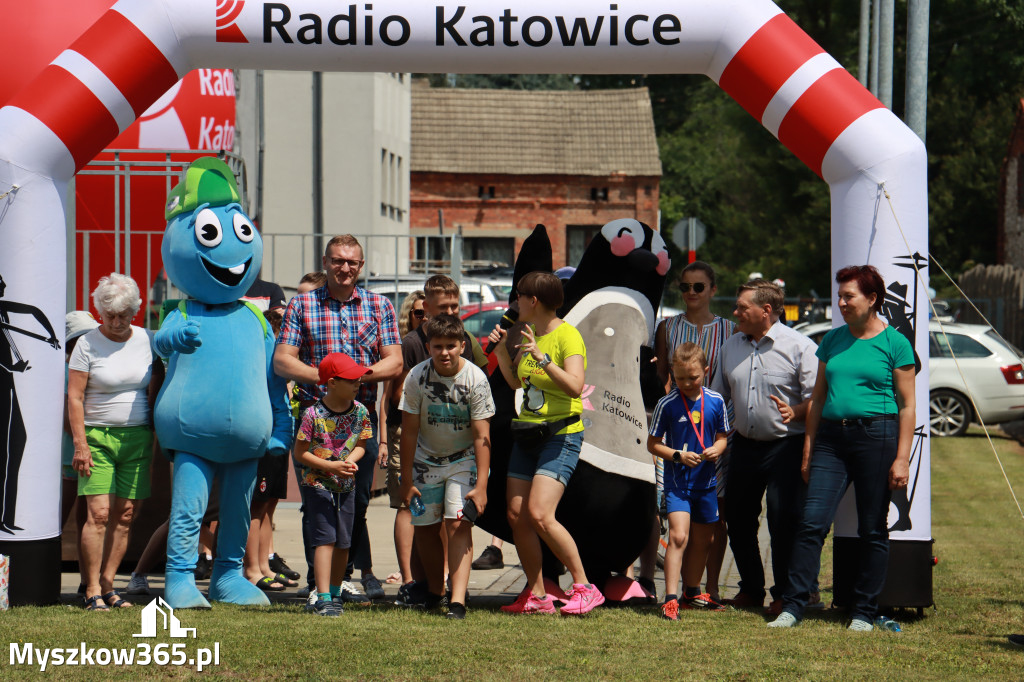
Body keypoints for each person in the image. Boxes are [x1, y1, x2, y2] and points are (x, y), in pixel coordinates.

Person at [769, 265, 915, 630]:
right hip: (831, 441)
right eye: (840, 295)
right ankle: (794, 605)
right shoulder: (832, 340)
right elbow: (817, 399)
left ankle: (864, 611)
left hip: (877, 438)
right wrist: (808, 447)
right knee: (811, 523)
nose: (842, 302)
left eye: (849, 296)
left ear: (873, 299)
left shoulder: (895, 344)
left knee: (872, 528)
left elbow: (909, 405)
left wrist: (901, 458)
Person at [275, 235, 402, 603]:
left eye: (352, 262)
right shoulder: (303, 305)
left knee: (355, 502)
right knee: (316, 502)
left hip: (358, 426)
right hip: (317, 423)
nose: (344, 268)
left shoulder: (379, 306)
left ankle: (341, 578)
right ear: (326, 262)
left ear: (361, 267)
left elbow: (394, 361)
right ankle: (318, 583)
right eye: (337, 261)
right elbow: (283, 360)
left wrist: (354, 379)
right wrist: (328, 378)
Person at [489, 271, 604, 616]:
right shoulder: (530, 333)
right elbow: (515, 384)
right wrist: (499, 350)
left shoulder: (567, 336)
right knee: (516, 514)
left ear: (533, 301)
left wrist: (543, 358)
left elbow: (574, 386)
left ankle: (585, 587)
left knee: (540, 513)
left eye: (520, 296)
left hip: (561, 435)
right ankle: (538, 596)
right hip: (529, 434)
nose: (515, 303)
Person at [389, 276, 489, 606]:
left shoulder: (475, 378)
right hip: (425, 460)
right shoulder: (417, 376)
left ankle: (458, 600)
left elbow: (481, 435)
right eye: (437, 347)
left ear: (463, 345)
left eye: (451, 346)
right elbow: (410, 431)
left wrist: (482, 484)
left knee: (458, 524)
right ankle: (436, 590)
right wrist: (405, 479)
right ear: (428, 345)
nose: (444, 353)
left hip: (462, 459)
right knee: (426, 528)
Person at [720, 279, 817, 614]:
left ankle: (785, 593)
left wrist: (798, 411)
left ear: (765, 310)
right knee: (737, 517)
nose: (735, 313)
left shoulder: (800, 347)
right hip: (744, 446)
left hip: (786, 447)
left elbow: (817, 401)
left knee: (783, 521)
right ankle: (750, 589)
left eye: (742, 308)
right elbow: (717, 398)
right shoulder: (731, 345)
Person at [68, 274, 163, 610]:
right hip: (97, 436)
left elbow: (159, 378)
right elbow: (75, 396)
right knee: (99, 514)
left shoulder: (146, 339)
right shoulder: (87, 344)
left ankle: (109, 584)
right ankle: (91, 587)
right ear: (100, 312)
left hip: (138, 437)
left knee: (124, 516)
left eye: (124, 315)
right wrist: (80, 443)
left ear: (134, 311)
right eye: (110, 315)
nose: (117, 322)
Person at [650, 261, 735, 600]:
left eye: (698, 287)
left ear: (712, 289)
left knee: (716, 515)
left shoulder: (729, 329)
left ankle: (710, 587)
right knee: (678, 515)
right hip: (680, 431)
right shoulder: (667, 327)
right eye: (685, 287)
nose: (690, 293)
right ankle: (682, 589)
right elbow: (660, 379)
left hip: (717, 427)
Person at [648, 343, 730, 619]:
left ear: (705, 371)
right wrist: (677, 456)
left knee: (704, 541)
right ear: (673, 373)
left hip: (706, 484)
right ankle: (670, 598)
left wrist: (716, 450)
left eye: (692, 378)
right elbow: (653, 444)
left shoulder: (716, 401)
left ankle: (691, 591)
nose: (686, 383)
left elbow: (722, 437)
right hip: (678, 483)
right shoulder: (667, 403)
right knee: (679, 536)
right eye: (680, 378)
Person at [294, 353, 372, 616]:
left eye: (358, 378)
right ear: (332, 382)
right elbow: (300, 453)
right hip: (318, 484)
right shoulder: (312, 414)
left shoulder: (361, 411)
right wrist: (330, 467)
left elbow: (361, 444)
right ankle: (322, 596)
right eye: (351, 379)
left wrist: (349, 461)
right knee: (325, 540)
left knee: (343, 542)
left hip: (346, 485)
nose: (357, 382)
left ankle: (336, 593)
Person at [1, 273, 61, 534]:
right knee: (6, 450)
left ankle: (7, 516)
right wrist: (11, 366)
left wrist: (50, 334)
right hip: (4, 386)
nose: (4, 285)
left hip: (8, 386)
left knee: (17, 442)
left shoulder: (2, 310)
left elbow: (33, 311)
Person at [244, 307, 296, 592]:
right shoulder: (261, 357)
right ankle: (252, 568)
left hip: (278, 434)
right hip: (263, 434)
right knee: (255, 506)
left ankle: (263, 565)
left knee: (266, 507)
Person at [379, 290, 425, 586]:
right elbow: (387, 400)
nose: (424, 317)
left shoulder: (439, 342)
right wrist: (383, 441)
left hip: (433, 433)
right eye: (418, 312)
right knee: (406, 505)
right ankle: (408, 575)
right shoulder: (403, 347)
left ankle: (432, 571)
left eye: (427, 311)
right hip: (401, 431)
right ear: (409, 315)